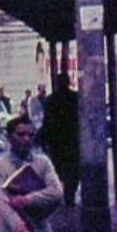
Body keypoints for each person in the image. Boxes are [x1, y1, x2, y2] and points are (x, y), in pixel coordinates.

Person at [38, 74, 79, 206]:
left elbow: (47, 121)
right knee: (72, 169)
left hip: (56, 139)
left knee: (56, 167)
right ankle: (69, 196)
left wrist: (44, 137)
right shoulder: (75, 97)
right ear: (68, 82)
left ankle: (57, 194)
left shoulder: (51, 99)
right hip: (72, 138)